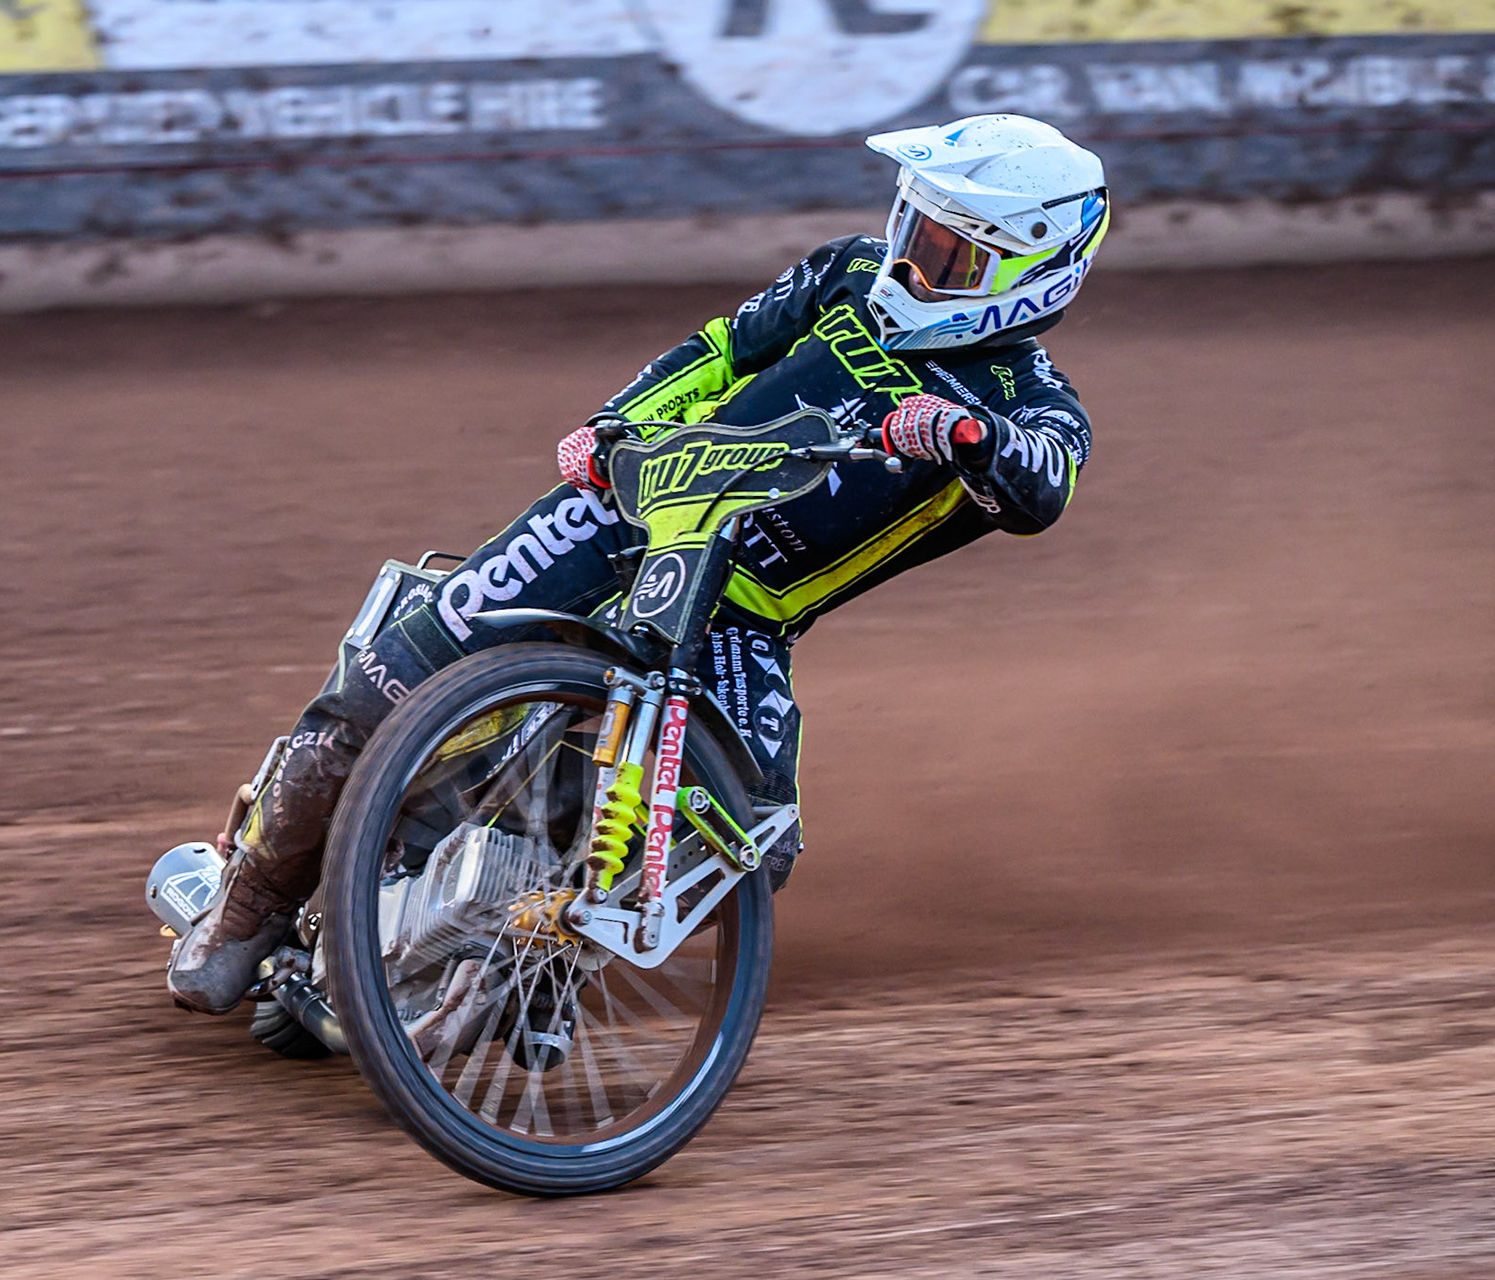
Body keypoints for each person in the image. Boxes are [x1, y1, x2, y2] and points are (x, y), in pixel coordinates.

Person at [169, 113, 1110, 1014]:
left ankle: (511, 970)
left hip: (742, 610)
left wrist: (972, 436)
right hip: (628, 511)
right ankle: (244, 905)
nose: (912, 260)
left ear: (1033, 271)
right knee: (395, 676)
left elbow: (1045, 484)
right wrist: (611, 423)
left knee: (748, 845)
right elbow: (716, 353)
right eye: (913, 228)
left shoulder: (1029, 401)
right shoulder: (847, 275)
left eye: (951, 255)